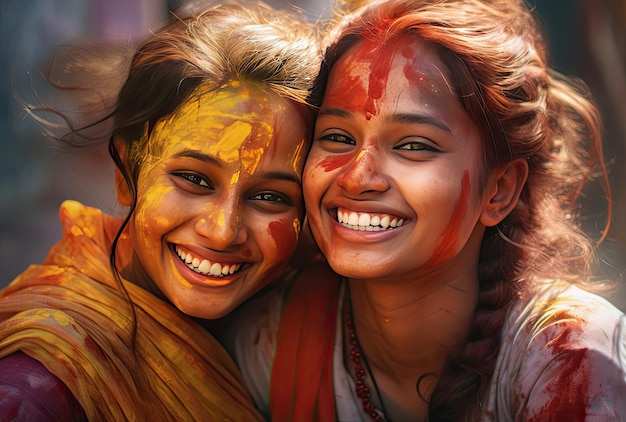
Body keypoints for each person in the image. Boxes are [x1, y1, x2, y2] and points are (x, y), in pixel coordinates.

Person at [227, 0, 626, 420]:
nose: (357, 177)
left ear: (499, 190)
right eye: (338, 137)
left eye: (413, 146)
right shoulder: (270, 346)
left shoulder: (571, 357)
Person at [0, 1, 320, 420]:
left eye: (271, 197)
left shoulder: (293, 337)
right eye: (196, 180)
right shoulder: (37, 393)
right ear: (126, 172)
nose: (222, 232)